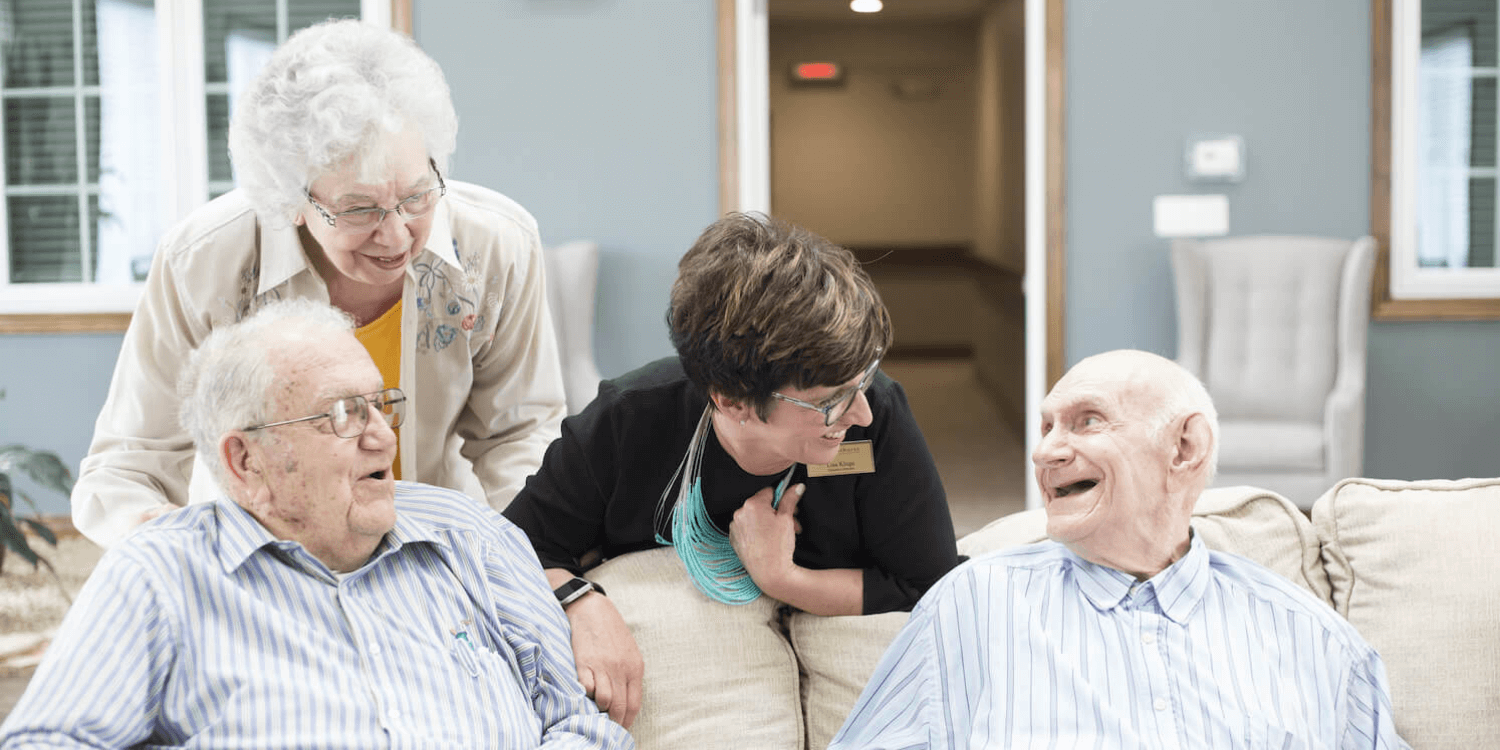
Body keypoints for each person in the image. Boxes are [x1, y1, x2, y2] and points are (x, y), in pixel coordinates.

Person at [0, 299, 632, 749]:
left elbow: (582, 721)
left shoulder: (471, 536)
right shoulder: (159, 574)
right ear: (245, 460)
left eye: (381, 406)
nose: (382, 437)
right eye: (343, 415)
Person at [71, 19, 565, 548]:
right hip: (261, 552)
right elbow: (128, 464)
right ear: (291, 201)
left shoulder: (496, 247)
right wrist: (160, 538)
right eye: (358, 209)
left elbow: (519, 436)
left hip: (432, 543)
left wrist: (523, 556)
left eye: (418, 196)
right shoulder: (203, 261)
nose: (397, 235)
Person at [503, 212, 962, 729]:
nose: (861, 414)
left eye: (864, 379)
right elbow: (512, 549)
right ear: (733, 401)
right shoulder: (628, 420)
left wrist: (783, 578)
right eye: (830, 402)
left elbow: (929, 581)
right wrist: (582, 604)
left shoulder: (877, 411)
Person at [829, 349, 1409, 749]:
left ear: (1185, 448)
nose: (1046, 453)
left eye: (1087, 423)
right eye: (1047, 428)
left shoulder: (1312, 638)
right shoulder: (972, 605)